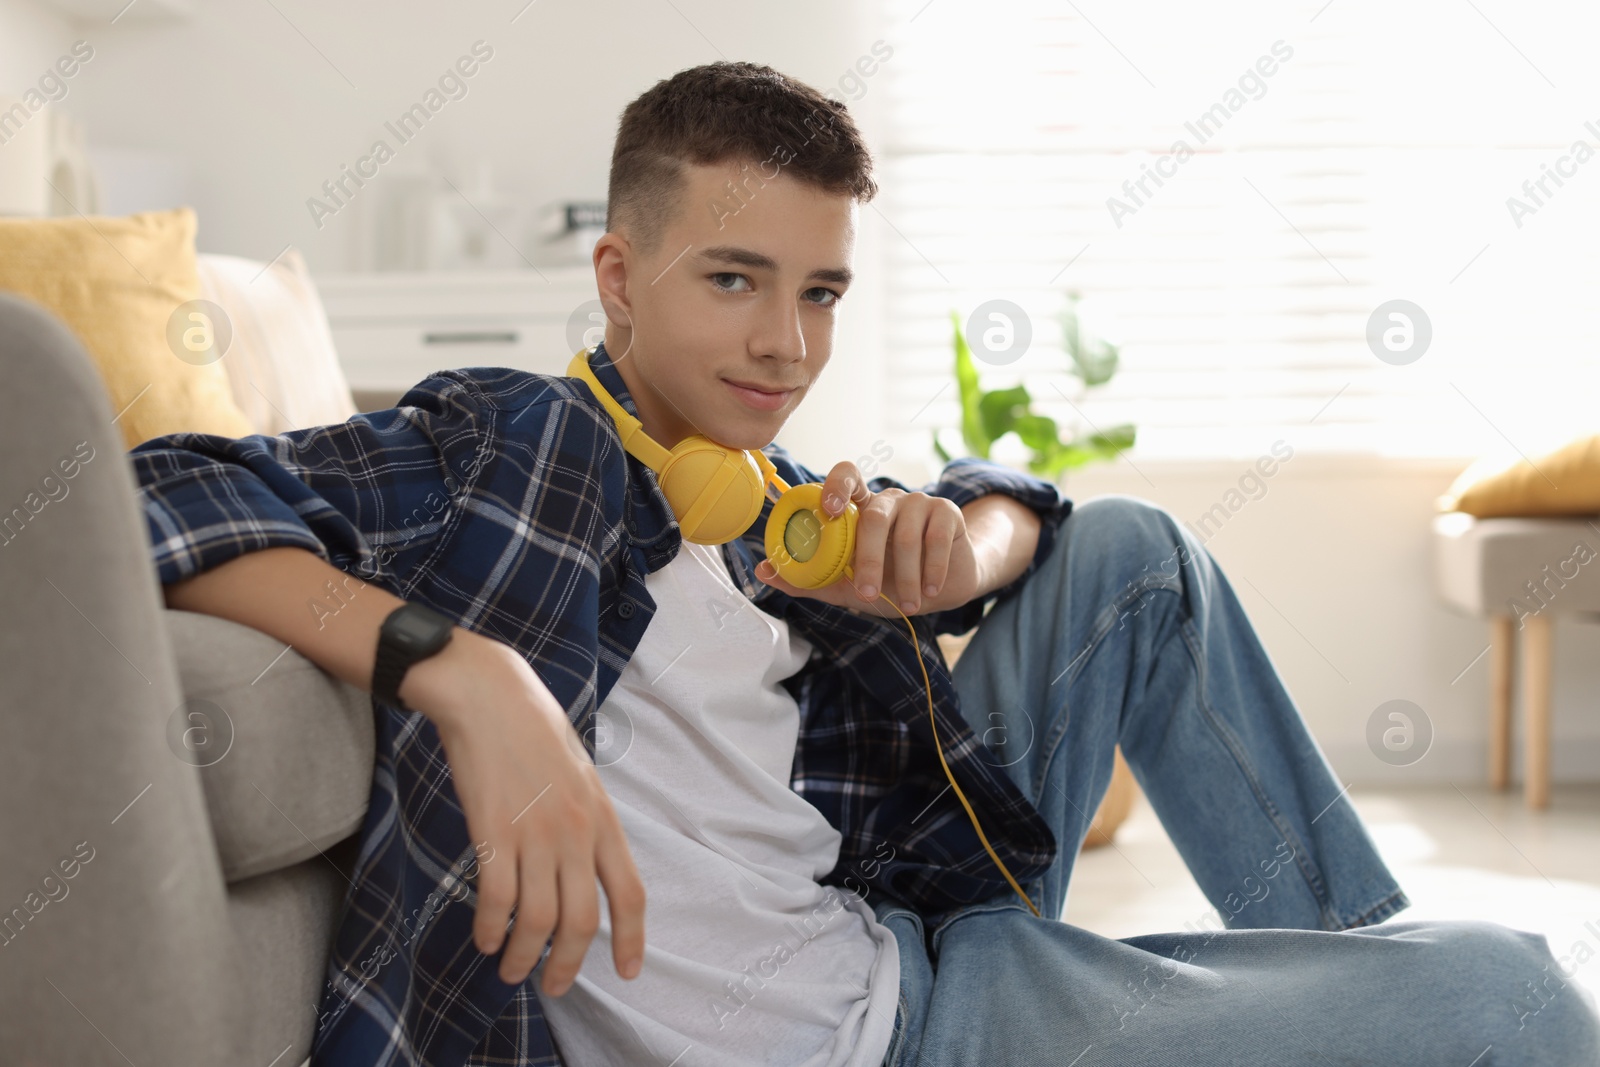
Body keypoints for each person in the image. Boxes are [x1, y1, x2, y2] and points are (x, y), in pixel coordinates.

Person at [130, 61, 1600, 1066]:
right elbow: (160, 488)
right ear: (618, 278)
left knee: (1137, 557)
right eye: (733, 281)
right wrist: (464, 672)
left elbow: (1022, 499)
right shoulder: (507, 448)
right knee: (1520, 998)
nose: (787, 344)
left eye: (820, 292)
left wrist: (966, 552)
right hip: (919, 1033)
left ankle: (1361, 988)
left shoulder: (768, 506)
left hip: (927, 941)